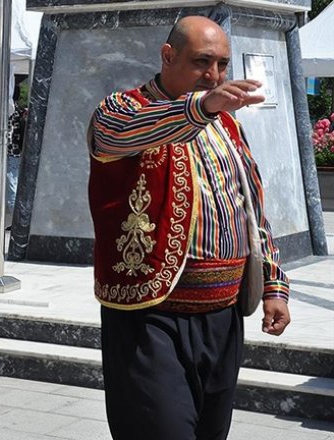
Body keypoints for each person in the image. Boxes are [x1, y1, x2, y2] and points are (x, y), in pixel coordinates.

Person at [88, 16, 291, 440]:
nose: (214, 76)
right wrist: (201, 108)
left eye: (222, 64)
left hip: (224, 316)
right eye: (202, 62)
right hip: (151, 317)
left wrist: (273, 284)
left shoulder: (228, 125)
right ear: (168, 56)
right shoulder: (122, 110)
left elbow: (250, 206)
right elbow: (116, 136)